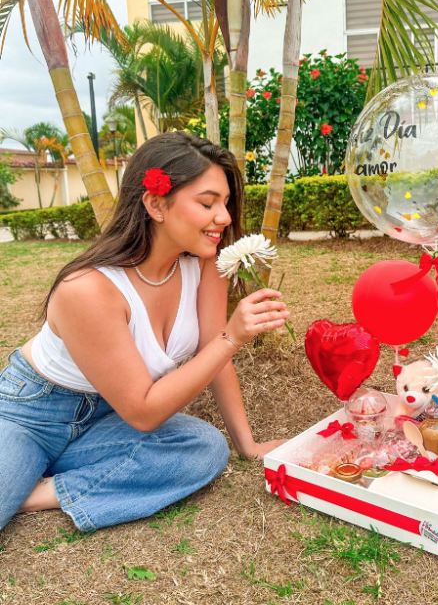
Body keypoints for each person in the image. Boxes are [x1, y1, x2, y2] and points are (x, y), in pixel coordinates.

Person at [0, 132, 290, 532]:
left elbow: (213, 354)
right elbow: (144, 411)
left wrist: (248, 446)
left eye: (224, 203)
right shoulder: (87, 289)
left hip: (107, 416)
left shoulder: (205, 263)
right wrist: (233, 336)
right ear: (155, 203)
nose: (223, 217)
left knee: (205, 448)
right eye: (207, 203)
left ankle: (34, 494)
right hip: (32, 414)